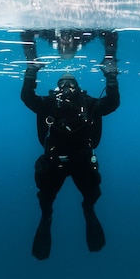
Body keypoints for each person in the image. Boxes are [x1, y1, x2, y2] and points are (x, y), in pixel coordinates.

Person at [20, 30, 120, 259]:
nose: (67, 88)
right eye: (63, 84)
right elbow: (27, 98)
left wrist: (111, 78)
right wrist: (31, 72)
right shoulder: (49, 104)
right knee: (46, 199)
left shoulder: (89, 103)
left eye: (70, 84)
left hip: (81, 162)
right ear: (56, 88)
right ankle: (47, 216)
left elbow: (112, 103)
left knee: (90, 194)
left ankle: (88, 209)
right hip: (57, 163)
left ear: (78, 89)